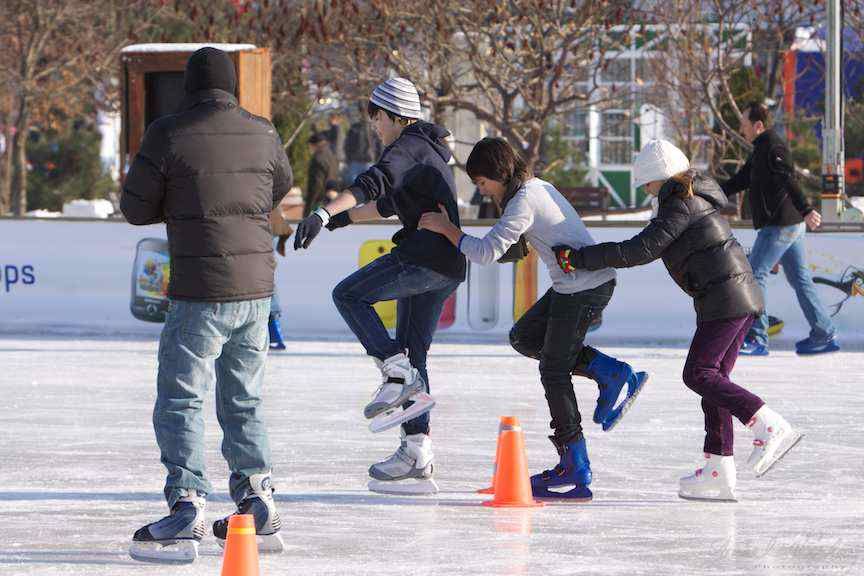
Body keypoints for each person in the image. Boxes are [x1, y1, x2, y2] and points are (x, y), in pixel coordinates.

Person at [554, 140, 803, 501]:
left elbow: (640, 249)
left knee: (698, 374)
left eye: (646, 182)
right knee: (712, 381)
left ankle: (767, 424)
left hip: (726, 299)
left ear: (659, 177)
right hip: (732, 297)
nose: (644, 189)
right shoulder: (689, 199)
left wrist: (579, 258)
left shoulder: (681, 203)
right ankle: (719, 468)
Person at [120, 47, 292, 562]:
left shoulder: (168, 132)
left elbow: (134, 207)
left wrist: (179, 198)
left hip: (200, 290)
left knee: (181, 397)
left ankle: (187, 504)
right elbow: (277, 186)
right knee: (244, 397)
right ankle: (258, 496)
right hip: (257, 290)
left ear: (189, 87)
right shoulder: (262, 131)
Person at [418, 137, 647, 501]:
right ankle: (610, 371)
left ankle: (575, 464)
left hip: (585, 288)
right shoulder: (535, 190)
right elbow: (515, 248)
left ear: (498, 172)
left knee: (554, 371)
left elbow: (486, 253)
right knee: (525, 337)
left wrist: (447, 230)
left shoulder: (524, 199)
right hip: (575, 285)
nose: (483, 191)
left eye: (482, 182)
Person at [293, 77, 466, 495]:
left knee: (348, 295)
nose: (373, 125)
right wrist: (334, 220)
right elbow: (386, 204)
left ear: (390, 114)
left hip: (424, 257)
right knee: (413, 353)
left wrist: (320, 210)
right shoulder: (424, 151)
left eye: (375, 117)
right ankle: (416, 453)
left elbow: (373, 182)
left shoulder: (408, 145)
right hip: (446, 265)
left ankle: (396, 371)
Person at [721, 102, 838, 356]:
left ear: (758, 125)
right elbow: (741, 180)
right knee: (800, 279)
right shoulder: (760, 149)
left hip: (781, 224)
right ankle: (823, 332)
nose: (742, 130)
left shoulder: (773, 146)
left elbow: (789, 179)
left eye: (744, 125)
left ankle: (758, 337)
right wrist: (711, 192)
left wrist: (806, 209)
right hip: (786, 224)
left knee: (754, 275)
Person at [304, 132, 340, 217]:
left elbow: (316, 184)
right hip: (333, 197)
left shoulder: (317, 159)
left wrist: (309, 207)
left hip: (321, 201)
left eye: (310, 146)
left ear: (315, 145)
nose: (310, 149)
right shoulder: (332, 155)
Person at [344, 103, 382, 183]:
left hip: (369, 162)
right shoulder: (354, 127)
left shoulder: (374, 128)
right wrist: (349, 158)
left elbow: (379, 145)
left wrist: (378, 160)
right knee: (353, 185)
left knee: (370, 187)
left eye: (366, 112)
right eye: (362, 112)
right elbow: (347, 145)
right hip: (355, 162)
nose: (364, 114)